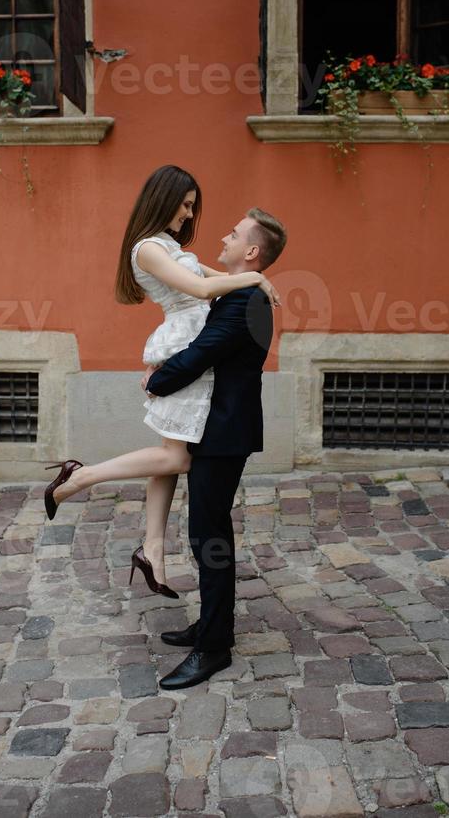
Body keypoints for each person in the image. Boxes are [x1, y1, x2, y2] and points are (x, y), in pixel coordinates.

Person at [41, 165, 280, 598]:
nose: (190, 214)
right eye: (186, 204)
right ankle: (80, 476)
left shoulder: (169, 245)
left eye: (192, 206)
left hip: (194, 344)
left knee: (173, 452)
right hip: (184, 344)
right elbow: (204, 290)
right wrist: (257, 276)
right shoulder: (147, 249)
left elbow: (217, 279)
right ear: (164, 199)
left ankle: (153, 552)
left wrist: (246, 278)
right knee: (177, 458)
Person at [142, 207, 287, 690]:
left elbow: (202, 352)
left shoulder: (245, 301)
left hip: (224, 434)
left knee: (210, 537)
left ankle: (214, 647)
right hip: (217, 428)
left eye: (233, 233)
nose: (222, 236)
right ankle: (210, 626)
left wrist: (157, 380)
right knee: (205, 532)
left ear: (250, 251)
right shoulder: (241, 290)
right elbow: (197, 272)